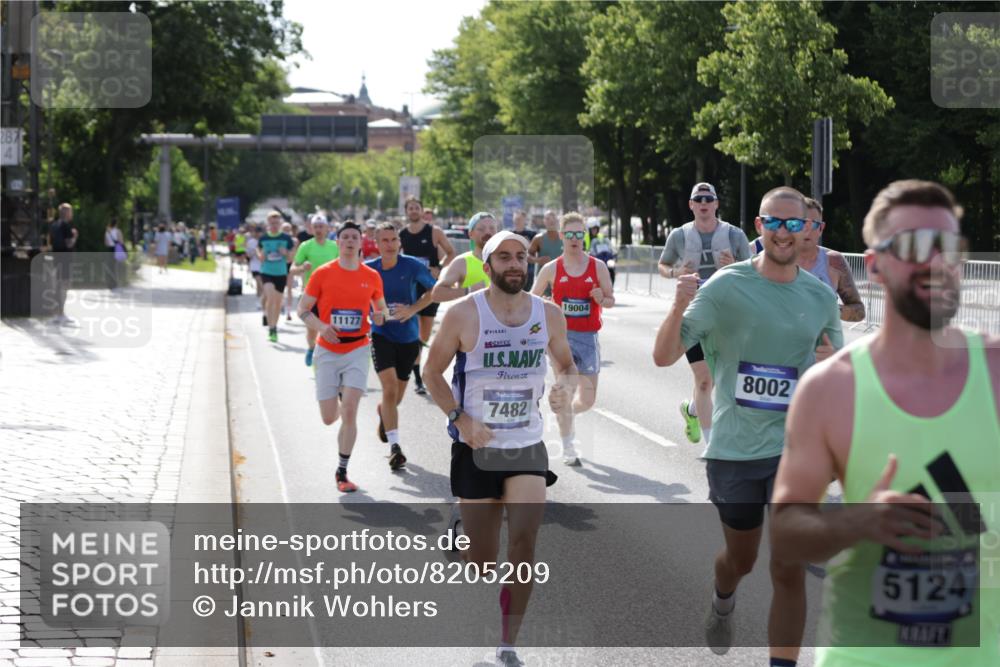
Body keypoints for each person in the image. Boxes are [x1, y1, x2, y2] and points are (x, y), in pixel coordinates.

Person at [771, 180, 999, 667]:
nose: (936, 262)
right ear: (874, 267)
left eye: (949, 246)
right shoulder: (830, 389)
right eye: (915, 245)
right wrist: (859, 521)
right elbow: (787, 534)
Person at [652, 186, 843, 663]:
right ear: (758, 227)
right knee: (742, 560)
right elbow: (662, 356)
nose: (783, 231)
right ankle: (722, 597)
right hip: (736, 450)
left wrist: (829, 365)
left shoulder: (820, 297)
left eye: (793, 223)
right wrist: (678, 305)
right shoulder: (726, 286)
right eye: (773, 222)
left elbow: (837, 374)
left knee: (789, 566)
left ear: (807, 230)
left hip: (795, 452)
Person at [423, 230, 576, 667]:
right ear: (486, 266)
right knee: (482, 564)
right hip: (476, 447)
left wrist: (564, 386)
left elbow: (565, 363)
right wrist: (459, 418)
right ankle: (461, 534)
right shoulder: (461, 314)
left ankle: (508, 643)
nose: (515, 265)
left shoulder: (548, 314)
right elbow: (432, 372)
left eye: (521, 258)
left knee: (525, 543)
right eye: (504, 258)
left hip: (526, 444)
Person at [657, 182, 752, 446]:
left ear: (716, 204)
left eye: (708, 198)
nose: (703, 203)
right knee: (703, 381)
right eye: (698, 199)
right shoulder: (679, 235)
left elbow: (756, 272)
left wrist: (736, 266)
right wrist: (677, 272)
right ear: (691, 205)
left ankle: (692, 411)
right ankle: (712, 445)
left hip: (727, 316)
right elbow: (662, 265)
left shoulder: (734, 235)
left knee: (724, 382)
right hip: (694, 315)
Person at [297, 221, 389, 493]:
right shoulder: (323, 274)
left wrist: (380, 316)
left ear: (361, 243)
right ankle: (338, 396)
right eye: (345, 237)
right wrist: (323, 327)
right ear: (338, 243)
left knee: (350, 409)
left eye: (354, 238)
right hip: (327, 349)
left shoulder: (371, 276)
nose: (350, 241)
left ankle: (342, 470)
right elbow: (303, 309)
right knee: (329, 418)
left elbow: (380, 310)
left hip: (358, 348)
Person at [532, 212, 615, 465]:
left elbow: (611, 300)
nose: (575, 238)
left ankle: (566, 412)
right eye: (570, 234)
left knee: (587, 400)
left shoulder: (597, 267)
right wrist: (544, 304)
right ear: (562, 236)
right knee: (565, 390)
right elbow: (531, 300)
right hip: (561, 338)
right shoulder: (551, 268)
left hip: (588, 338)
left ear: (584, 237)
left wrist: (602, 298)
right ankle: (569, 448)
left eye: (580, 234)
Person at [366, 222, 437, 470]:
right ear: (376, 244)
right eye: (384, 240)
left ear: (399, 242)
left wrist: (413, 309)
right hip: (381, 334)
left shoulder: (412, 265)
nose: (389, 244)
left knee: (394, 399)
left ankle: (384, 413)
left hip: (408, 338)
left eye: (393, 239)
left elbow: (433, 290)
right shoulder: (369, 270)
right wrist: (370, 315)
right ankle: (395, 448)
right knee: (388, 389)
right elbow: (361, 299)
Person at [398, 196, 457, 395]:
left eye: (417, 208)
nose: (414, 211)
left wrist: (439, 269)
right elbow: (396, 258)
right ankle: (417, 379)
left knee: (423, 335)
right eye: (410, 208)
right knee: (413, 334)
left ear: (422, 211)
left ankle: (423, 369)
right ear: (406, 211)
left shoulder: (434, 232)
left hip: (430, 289)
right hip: (410, 289)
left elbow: (451, 253)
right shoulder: (402, 234)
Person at [792, 198, 867, 322]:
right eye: (801, 224)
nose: (807, 230)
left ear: (821, 228)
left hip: (825, 340)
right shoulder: (774, 259)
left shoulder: (834, 261)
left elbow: (859, 311)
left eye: (813, 224)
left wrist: (830, 309)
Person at [292, 215, 340, 365]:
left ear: (327, 228)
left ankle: (326, 358)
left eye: (321, 226)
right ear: (311, 229)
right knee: (312, 330)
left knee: (329, 328)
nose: (319, 229)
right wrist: (301, 267)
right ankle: (312, 348)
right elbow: (293, 268)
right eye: (316, 227)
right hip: (311, 294)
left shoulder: (334, 246)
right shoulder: (305, 246)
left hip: (331, 294)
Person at [431, 212, 497, 303]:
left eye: (492, 228)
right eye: (481, 229)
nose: (487, 232)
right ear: (470, 234)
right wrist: (468, 291)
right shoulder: (462, 262)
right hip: (470, 316)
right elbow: (437, 294)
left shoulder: (506, 261)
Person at [258, 212, 294, 343]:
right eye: (271, 223)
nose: (274, 226)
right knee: (270, 296)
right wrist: (262, 255)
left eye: (276, 223)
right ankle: (270, 326)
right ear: (268, 223)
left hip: (281, 272)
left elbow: (291, 258)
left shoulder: (286, 238)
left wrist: (286, 253)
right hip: (266, 272)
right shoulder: (263, 239)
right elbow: (260, 256)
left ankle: (274, 328)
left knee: (278, 303)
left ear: (280, 224)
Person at [48, 203, 78, 324]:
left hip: (56, 258)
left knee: (58, 285)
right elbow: (69, 244)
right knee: (64, 286)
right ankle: (61, 314)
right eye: (71, 211)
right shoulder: (66, 226)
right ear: (66, 213)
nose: (72, 214)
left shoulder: (54, 225)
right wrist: (75, 236)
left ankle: (56, 313)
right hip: (65, 259)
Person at [527, 210, 563, 293]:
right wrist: (537, 260)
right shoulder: (539, 238)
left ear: (557, 221)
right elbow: (527, 256)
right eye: (548, 219)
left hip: (561, 282)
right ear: (544, 221)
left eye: (553, 218)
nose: (551, 221)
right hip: (543, 283)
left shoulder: (564, 238)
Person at [585, 218, 616, 284]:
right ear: (589, 229)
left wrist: (612, 251)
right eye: (593, 229)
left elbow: (607, 244)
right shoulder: (585, 237)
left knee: (611, 267)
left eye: (596, 228)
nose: (594, 230)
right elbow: (583, 248)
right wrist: (586, 251)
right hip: (589, 258)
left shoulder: (601, 236)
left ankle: (611, 285)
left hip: (601, 257)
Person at [281, 221, 300, 322]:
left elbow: (295, 255)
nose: (287, 232)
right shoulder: (278, 240)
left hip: (289, 266)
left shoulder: (294, 241)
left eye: (288, 230)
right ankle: (282, 304)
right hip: (279, 267)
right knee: (280, 289)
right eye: (284, 230)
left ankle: (288, 312)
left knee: (289, 289)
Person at [104, 217, 125, 289]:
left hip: (109, 249)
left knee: (110, 266)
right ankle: (115, 283)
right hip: (116, 249)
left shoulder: (107, 232)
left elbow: (106, 243)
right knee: (116, 267)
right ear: (116, 224)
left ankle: (109, 283)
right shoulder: (118, 231)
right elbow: (121, 242)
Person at [245, 226, 263, 304]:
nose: (258, 234)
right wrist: (254, 252)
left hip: (263, 266)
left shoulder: (264, 241)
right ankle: (261, 301)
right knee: (260, 283)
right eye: (257, 232)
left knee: (259, 285)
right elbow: (248, 255)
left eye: (260, 233)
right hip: (254, 266)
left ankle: (259, 300)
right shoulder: (251, 242)